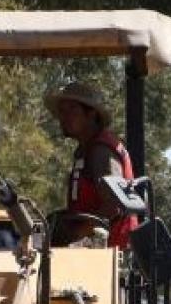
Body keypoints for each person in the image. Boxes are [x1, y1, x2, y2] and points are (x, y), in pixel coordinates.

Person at [43, 80, 137, 249]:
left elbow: (115, 204)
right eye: (62, 111)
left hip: (110, 253)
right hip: (94, 252)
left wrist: (76, 236)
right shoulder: (86, 150)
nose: (64, 117)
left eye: (72, 110)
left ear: (92, 114)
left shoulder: (101, 151)